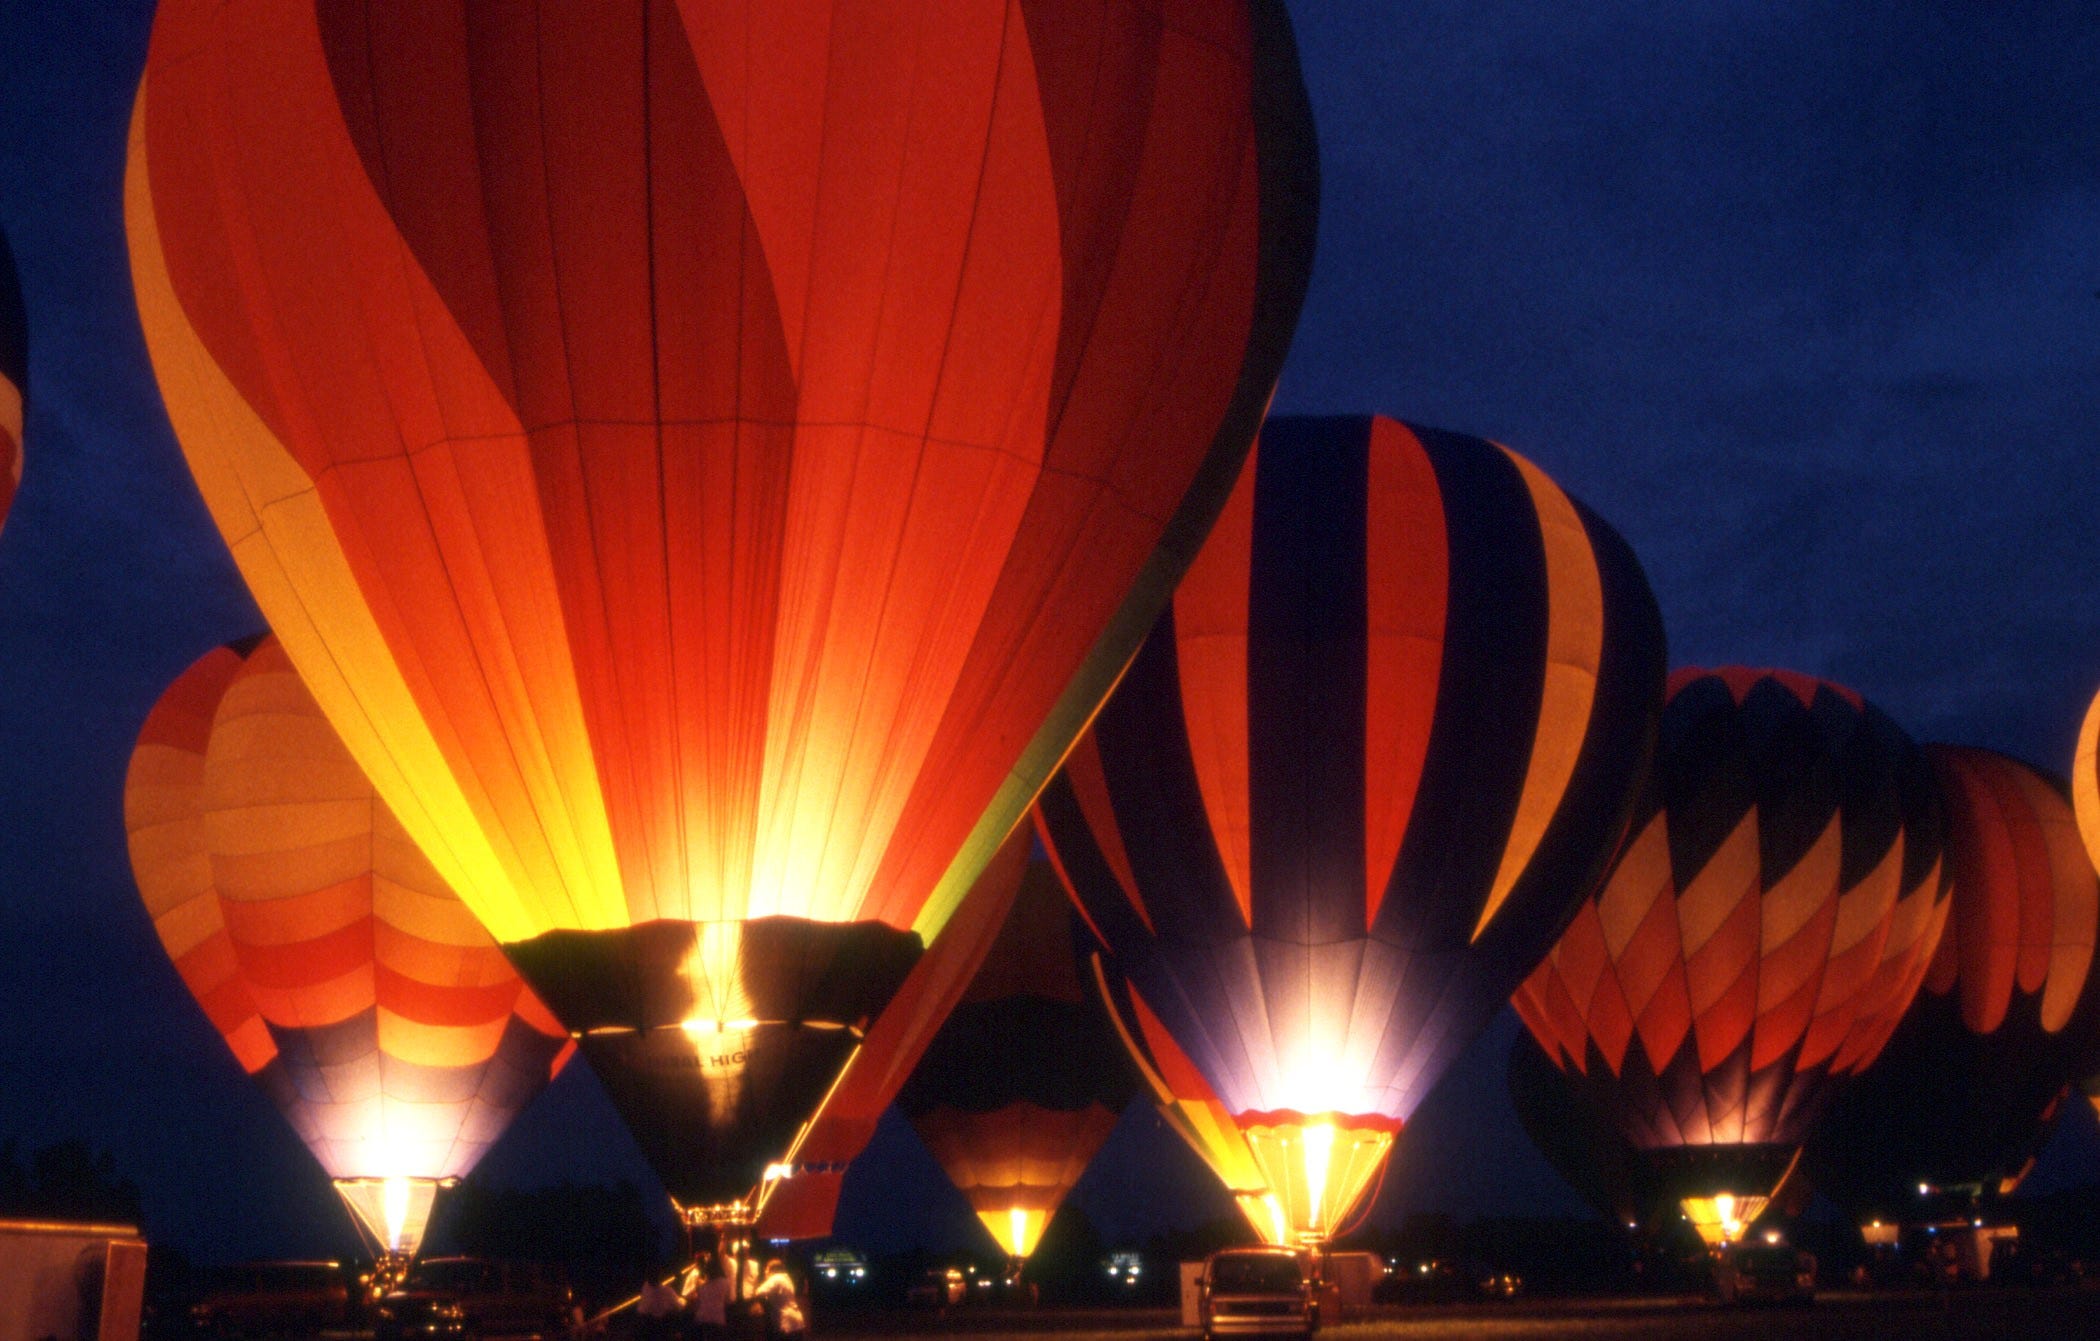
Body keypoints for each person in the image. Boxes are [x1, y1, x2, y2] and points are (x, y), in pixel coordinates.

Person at [753, 1259, 806, 1339]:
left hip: (786, 1322)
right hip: (796, 1321)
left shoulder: (776, 1278)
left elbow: (759, 1292)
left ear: (772, 1269)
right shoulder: (786, 1279)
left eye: (766, 1269)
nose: (765, 1272)